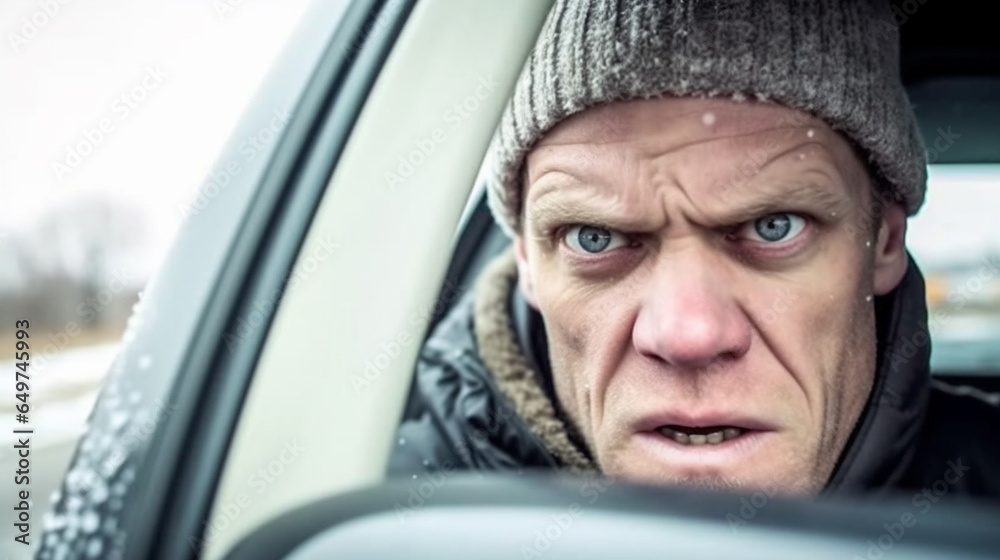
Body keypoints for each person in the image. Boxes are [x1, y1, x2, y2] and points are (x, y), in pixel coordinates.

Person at [391, 0, 1000, 498]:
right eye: (593, 238)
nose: (688, 335)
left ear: (883, 242)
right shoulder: (384, 513)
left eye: (774, 226)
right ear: (526, 259)